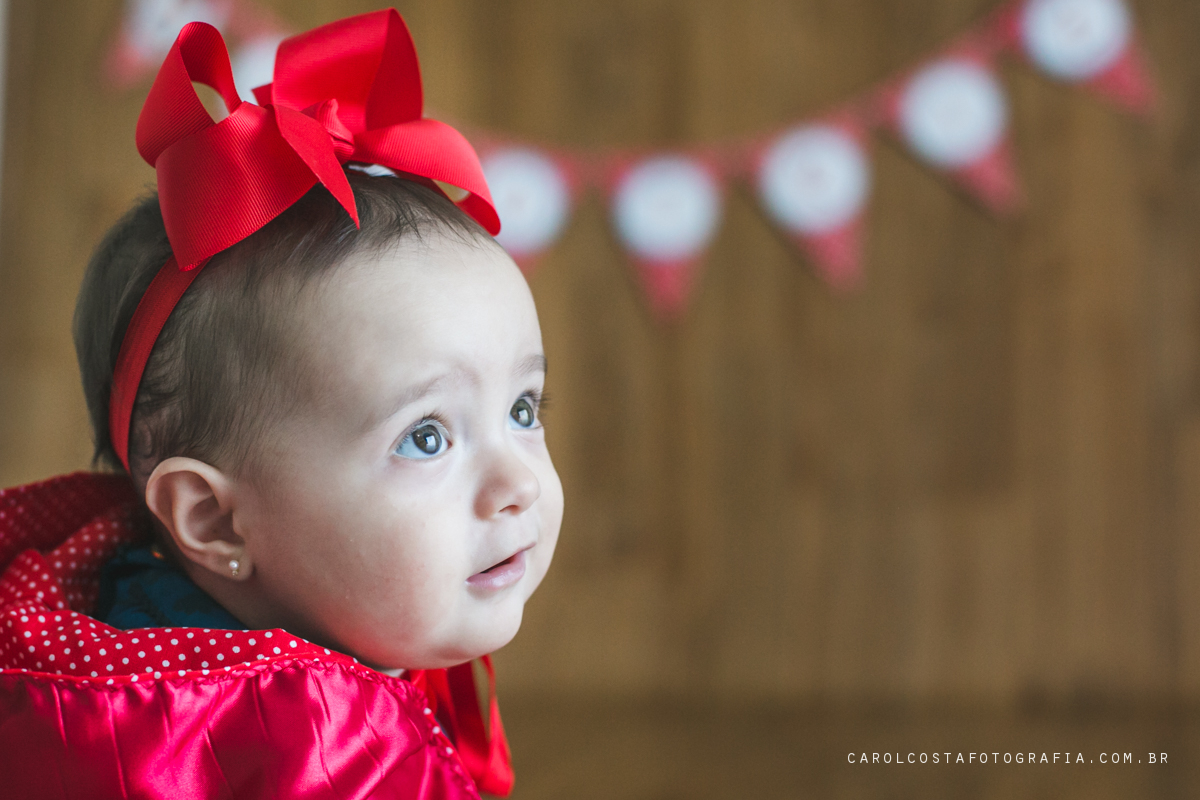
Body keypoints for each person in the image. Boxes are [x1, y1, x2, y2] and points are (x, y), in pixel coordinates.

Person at [0, 9, 563, 798]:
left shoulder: (185, 649)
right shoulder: (318, 753)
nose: (519, 484)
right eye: (427, 437)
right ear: (215, 520)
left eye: (523, 410)